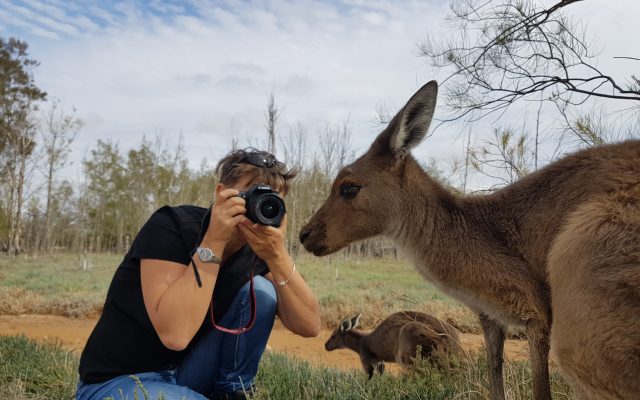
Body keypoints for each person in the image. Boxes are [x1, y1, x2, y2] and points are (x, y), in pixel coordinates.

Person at [76, 149, 321, 400]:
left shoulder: (257, 249)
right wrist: (214, 241)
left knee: (261, 290)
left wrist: (277, 256)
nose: (260, 205)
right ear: (220, 193)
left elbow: (310, 325)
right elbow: (175, 336)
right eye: (253, 193)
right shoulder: (172, 226)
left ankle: (231, 391)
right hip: (119, 380)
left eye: (272, 200)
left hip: (190, 373)